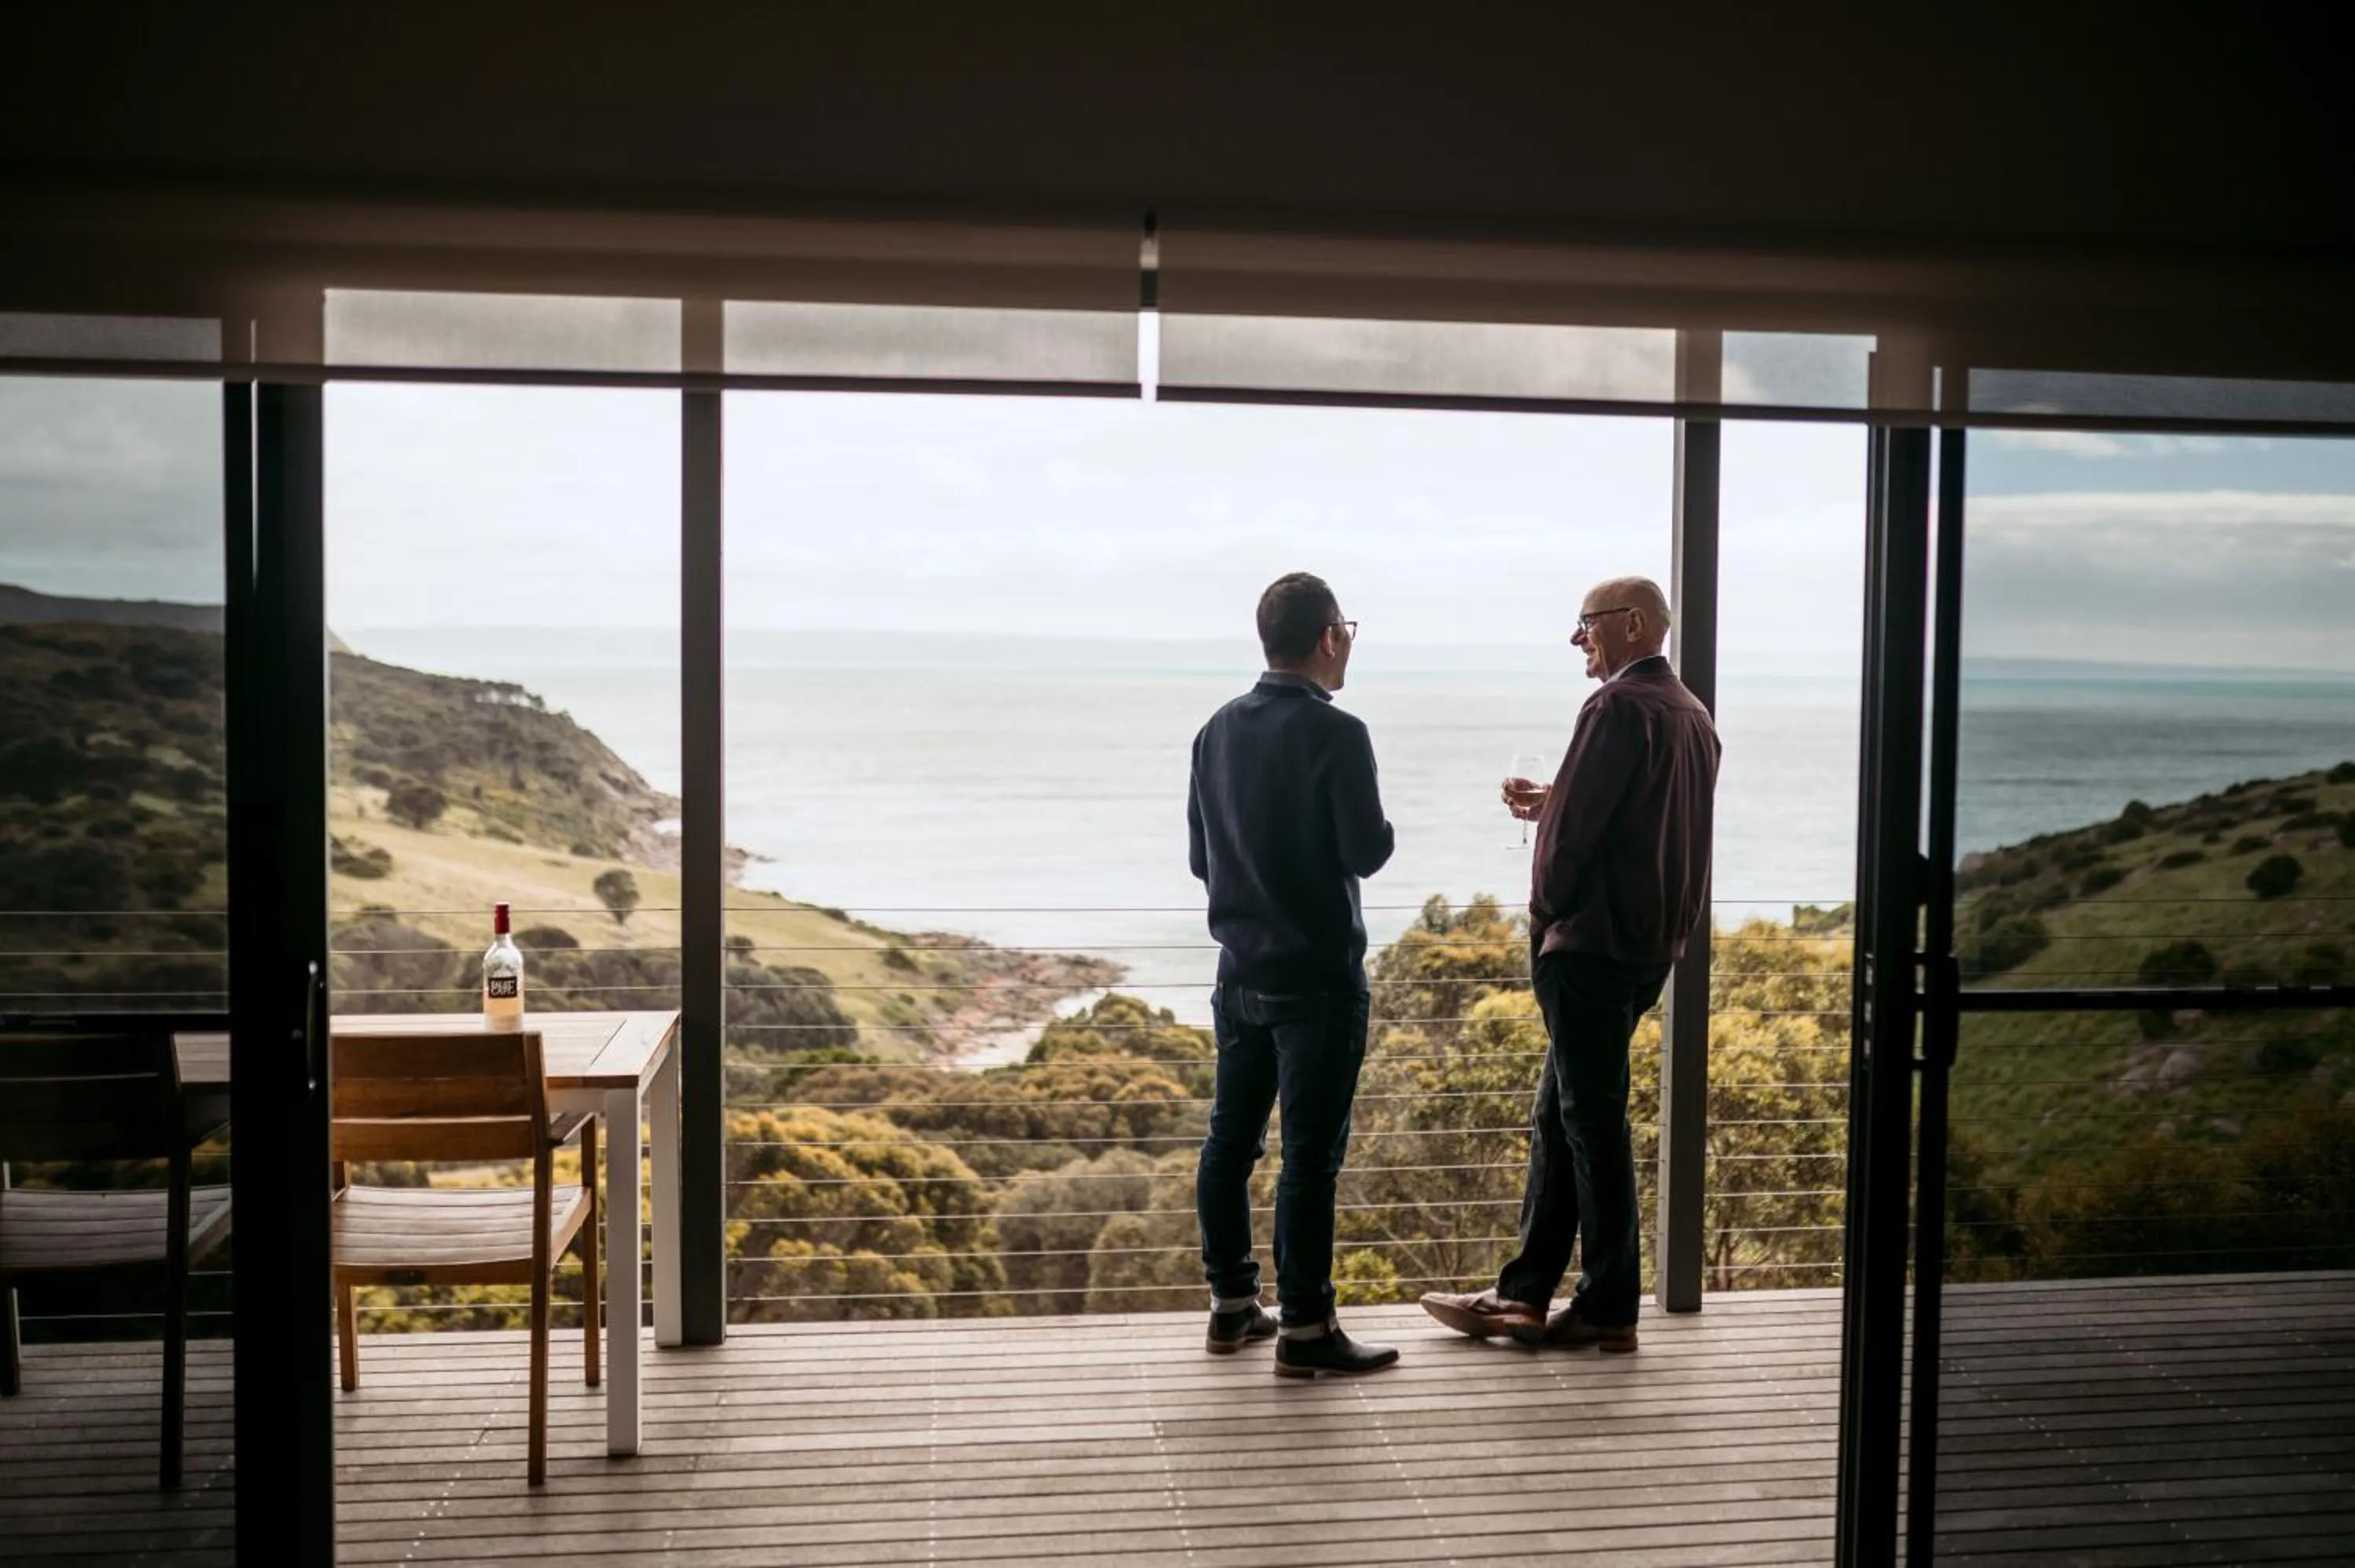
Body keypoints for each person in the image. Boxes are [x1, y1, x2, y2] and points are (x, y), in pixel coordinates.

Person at [1420, 575, 1720, 1353]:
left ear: (1631, 624)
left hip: (1588, 950)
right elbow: (1645, 818)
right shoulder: (1692, 717)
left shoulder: (1614, 707)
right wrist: (1558, 796)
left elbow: (1570, 845)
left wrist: (1544, 917)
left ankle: (1609, 1307)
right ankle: (1523, 1296)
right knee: (1561, 1117)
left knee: (1591, 1126)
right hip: (1649, 950)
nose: (1577, 638)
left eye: (1586, 623)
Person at [1188, 571, 1400, 1378]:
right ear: (1327, 638)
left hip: (1238, 975)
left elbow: (1202, 859)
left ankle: (1231, 1307)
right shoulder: (1338, 734)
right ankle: (1306, 1330)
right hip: (1317, 981)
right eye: (1348, 630)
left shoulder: (1215, 731)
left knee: (1229, 1143)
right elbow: (1366, 851)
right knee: (1309, 1157)